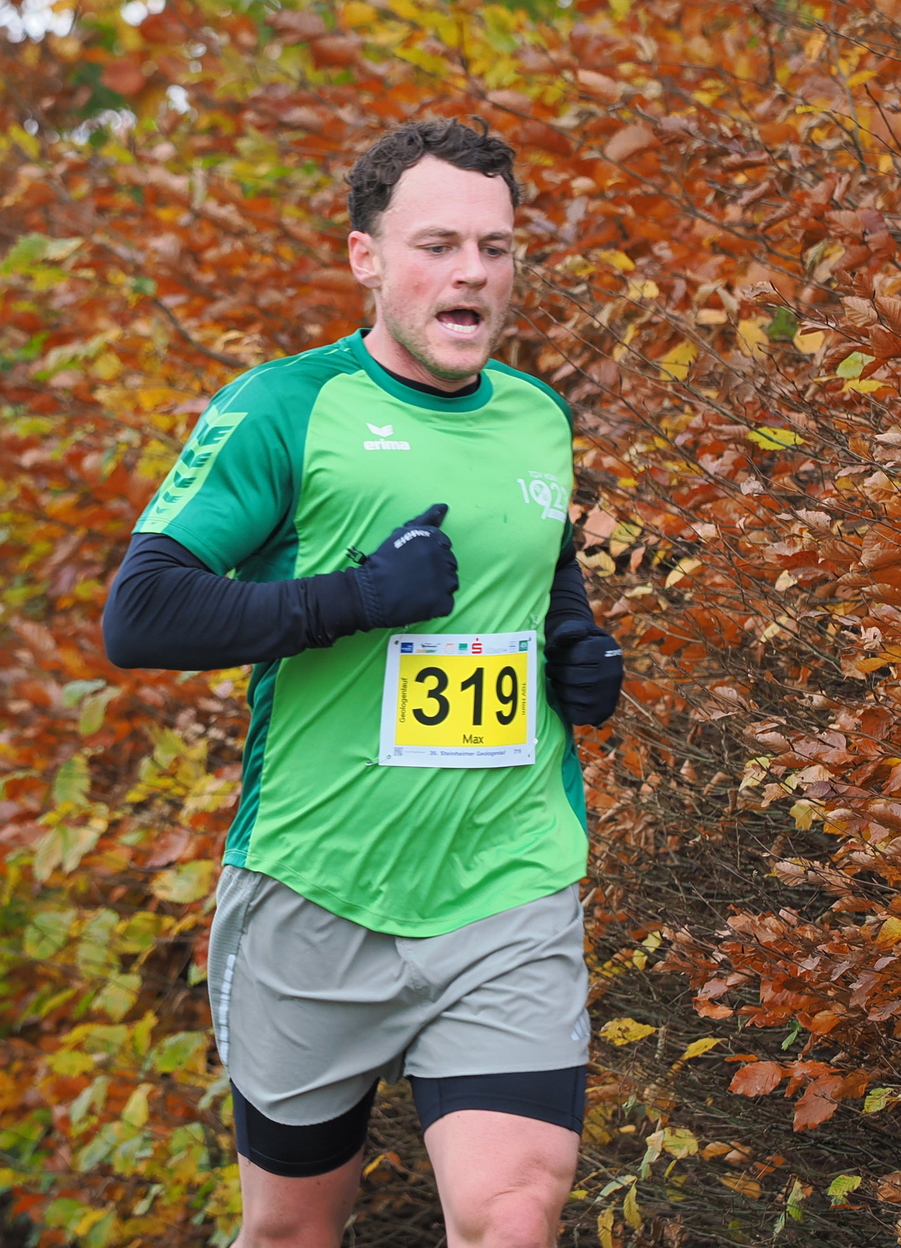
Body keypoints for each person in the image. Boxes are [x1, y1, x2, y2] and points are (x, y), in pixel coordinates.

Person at [101, 117, 624, 1248]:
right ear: (367, 258)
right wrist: (358, 596)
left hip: (505, 880)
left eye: (495, 248)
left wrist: (577, 651)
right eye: (438, 246)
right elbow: (140, 614)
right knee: (292, 1232)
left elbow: (540, 572)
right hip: (315, 884)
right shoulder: (287, 408)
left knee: (513, 1215)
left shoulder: (537, 417)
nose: (472, 273)